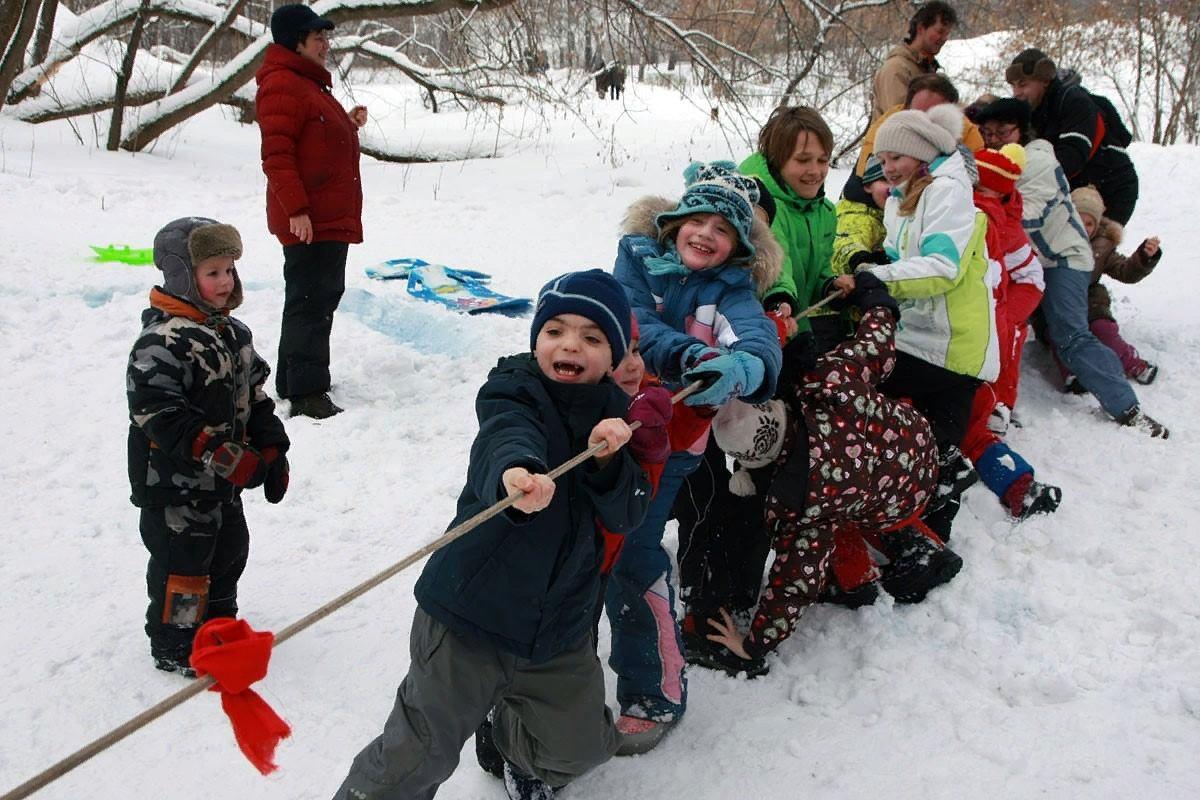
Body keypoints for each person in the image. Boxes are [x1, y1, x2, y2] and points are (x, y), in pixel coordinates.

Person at [335, 270, 650, 800]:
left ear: (614, 357)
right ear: (536, 340)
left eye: (592, 338)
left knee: (582, 749)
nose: (570, 344)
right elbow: (505, 434)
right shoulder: (514, 389)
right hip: (471, 618)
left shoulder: (617, 418)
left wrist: (609, 461)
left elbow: (628, 514)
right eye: (555, 330)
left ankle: (507, 734)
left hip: (558, 627)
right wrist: (516, 473)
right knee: (418, 756)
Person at [703, 278, 960, 671]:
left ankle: (856, 581)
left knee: (832, 521)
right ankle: (920, 540)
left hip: (895, 500)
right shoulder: (827, 380)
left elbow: (795, 580)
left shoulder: (800, 502)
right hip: (920, 443)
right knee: (858, 488)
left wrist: (754, 644)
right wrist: (877, 300)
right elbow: (875, 345)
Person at [610, 161, 783, 744]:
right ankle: (553, 679)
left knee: (631, 555)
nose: (706, 233)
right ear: (672, 222)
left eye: (724, 228)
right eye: (697, 219)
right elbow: (631, 323)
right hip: (603, 430)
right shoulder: (635, 261)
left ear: (737, 246)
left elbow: (758, 344)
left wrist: (742, 365)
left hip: (674, 444)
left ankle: (655, 685)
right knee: (581, 549)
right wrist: (689, 354)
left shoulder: (730, 292)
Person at [127, 217, 290, 676]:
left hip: (222, 485)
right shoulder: (162, 341)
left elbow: (254, 396)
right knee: (185, 565)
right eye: (212, 272)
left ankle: (218, 625)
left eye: (229, 271)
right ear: (183, 275)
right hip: (174, 483)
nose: (225, 282)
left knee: (230, 550)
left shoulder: (232, 334)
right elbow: (158, 413)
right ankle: (176, 641)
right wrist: (225, 456)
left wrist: (273, 448)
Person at [847, 103, 1000, 541]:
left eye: (896, 157)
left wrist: (873, 280)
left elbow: (940, 268)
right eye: (883, 157)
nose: (886, 167)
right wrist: (878, 265)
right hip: (926, 336)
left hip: (951, 345)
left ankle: (923, 518)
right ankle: (929, 533)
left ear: (921, 154)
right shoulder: (904, 199)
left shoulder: (946, 192)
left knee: (873, 400)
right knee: (934, 445)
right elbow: (907, 260)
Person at [974, 97, 1168, 438]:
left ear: (1022, 131)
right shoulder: (993, 162)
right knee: (1000, 328)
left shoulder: (1037, 160)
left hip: (1063, 258)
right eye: (987, 132)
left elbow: (1026, 215)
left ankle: (1128, 409)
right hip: (1026, 259)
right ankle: (996, 406)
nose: (994, 139)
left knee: (1071, 336)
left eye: (1003, 131)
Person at [256, 4, 368, 419]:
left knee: (313, 297)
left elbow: (311, 140)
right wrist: (297, 210)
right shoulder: (283, 85)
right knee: (312, 302)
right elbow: (277, 157)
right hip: (311, 220)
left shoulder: (306, 84)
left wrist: (347, 124)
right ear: (294, 41)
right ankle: (306, 394)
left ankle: (293, 379)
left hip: (325, 216)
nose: (325, 45)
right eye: (317, 37)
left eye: (326, 37)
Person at [960, 145, 1062, 519]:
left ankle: (1013, 476)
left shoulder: (998, 224)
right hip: (959, 331)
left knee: (974, 415)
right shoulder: (966, 214)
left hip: (987, 322)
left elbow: (1027, 277)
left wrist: (1004, 315)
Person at [737, 106, 841, 357]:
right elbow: (773, 269)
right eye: (803, 160)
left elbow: (814, 273)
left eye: (823, 160)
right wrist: (780, 301)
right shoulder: (761, 207)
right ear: (777, 160)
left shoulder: (824, 212)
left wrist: (829, 284)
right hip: (756, 337)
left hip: (796, 329)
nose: (816, 171)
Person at [1005, 49, 1139, 225]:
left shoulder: (1074, 101)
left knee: (1089, 249)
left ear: (1045, 81)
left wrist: (1025, 176)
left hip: (1111, 191)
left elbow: (1072, 156)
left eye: (1022, 85)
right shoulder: (1033, 111)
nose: (1016, 92)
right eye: (1013, 86)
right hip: (1077, 190)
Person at [1072, 185, 1162, 384]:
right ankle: (1072, 374)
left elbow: (1125, 271)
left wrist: (1144, 257)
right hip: (1059, 300)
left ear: (1097, 225)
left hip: (1090, 298)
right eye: (1078, 220)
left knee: (1104, 330)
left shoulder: (1102, 245)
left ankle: (1133, 363)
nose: (1083, 227)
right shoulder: (1055, 240)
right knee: (1063, 334)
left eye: (1089, 223)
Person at [856, 74, 984, 179]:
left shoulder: (967, 135)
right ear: (906, 108)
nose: (923, 125)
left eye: (933, 117)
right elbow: (867, 179)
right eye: (917, 115)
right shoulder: (886, 129)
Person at [871, 1, 958, 120]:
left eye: (947, 34)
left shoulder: (927, 68)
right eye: (940, 32)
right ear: (921, 28)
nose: (944, 39)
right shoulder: (896, 68)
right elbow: (900, 121)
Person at [833, 154, 891, 276]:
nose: (892, 188)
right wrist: (859, 260)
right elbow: (846, 242)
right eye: (885, 180)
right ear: (868, 185)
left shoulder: (886, 214)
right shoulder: (857, 215)